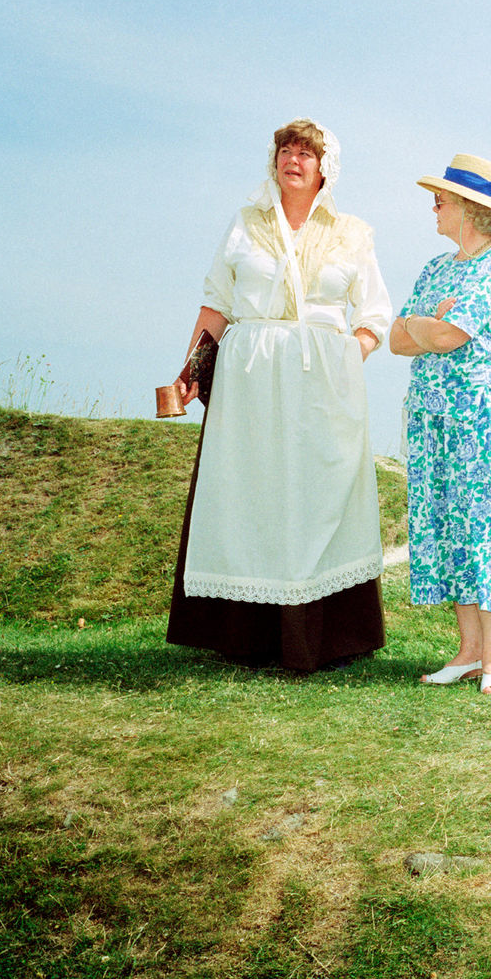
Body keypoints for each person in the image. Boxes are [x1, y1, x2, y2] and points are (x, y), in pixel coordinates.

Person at [167, 119, 393, 672]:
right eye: (285, 150)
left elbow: (374, 315)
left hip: (321, 379)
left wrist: (346, 358)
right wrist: (191, 367)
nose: (294, 158)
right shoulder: (245, 223)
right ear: (274, 161)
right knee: (252, 493)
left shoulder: (353, 232)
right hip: (251, 377)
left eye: (306, 152)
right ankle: (247, 637)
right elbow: (218, 301)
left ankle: (324, 637)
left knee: (316, 495)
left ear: (324, 167)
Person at [391, 153, 491, 695]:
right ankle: (466, 652)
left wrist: (423, 323)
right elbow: (395, 342)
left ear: (471, 209)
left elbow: (444, 337)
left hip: (481, 413)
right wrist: (426, 321)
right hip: (434, 415)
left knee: (487, 526)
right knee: (450, 524)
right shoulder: (436, 269)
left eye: (443, 197)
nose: (433, 204)